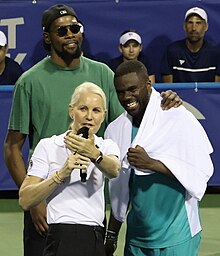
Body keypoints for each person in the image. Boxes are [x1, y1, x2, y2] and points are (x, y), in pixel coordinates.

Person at [3, 3, 182, 256]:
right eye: (61, 31)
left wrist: (166, 101)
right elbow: (12, 148)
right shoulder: (29, 81)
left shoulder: (104, 74)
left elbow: (134, 116)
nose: (70, 35)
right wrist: (35, 204)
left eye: (75, 28)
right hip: (45, 203)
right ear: (47, 37)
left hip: (91, 207)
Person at [104, 60, 213, 256]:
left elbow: (199, 172)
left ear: (148, 85)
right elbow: (120, 190)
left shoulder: (177, 117)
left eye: (132, 89)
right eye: (120, 92)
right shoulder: (115, 130)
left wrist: (152, 164)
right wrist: (112, 234)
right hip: (137, 238)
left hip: (178, 236)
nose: (127, 97)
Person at [19, 82, 121, 256]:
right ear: (71, 111)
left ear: (103, 116)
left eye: (96, 111)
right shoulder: (48, 146)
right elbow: (25, 199)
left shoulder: (106, 146)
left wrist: (94, 154)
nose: (89, 116)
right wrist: (61, 174)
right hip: (59, 236)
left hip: (94, 236)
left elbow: (114, 170)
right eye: (83, 109)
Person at [161, 7, 220, 83]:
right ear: (184, 26)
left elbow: (217, 90)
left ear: (206, 26)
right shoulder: (172, 51)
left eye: (198, 23)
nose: (194, 28)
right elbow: (168, 89)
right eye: (190, 23)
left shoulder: (216, 52)